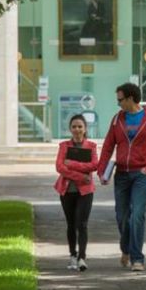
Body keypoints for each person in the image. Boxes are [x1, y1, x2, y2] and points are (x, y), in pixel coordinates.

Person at [97, 83, 146, 272]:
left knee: (137, 215)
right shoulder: (117, 119)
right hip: (121, 175)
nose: (118, 103)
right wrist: (102, 170)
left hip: (141, 175)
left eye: (120, 100)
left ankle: (137, 258)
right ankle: (125, 249)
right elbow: (108, 146)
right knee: (121, 216)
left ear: (130, 99)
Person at [54, 114, 98, 272]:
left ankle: (82, 258)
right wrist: (81, 175)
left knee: (82, 224)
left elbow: (94, 165)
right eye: (74, 126)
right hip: (67, 191)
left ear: (85, 128)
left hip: (85, 192)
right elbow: (60, 167)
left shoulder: (91, 146)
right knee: (71, 224)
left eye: (80, 126)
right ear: (70, 129)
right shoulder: (64, 146)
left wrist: (71, 164)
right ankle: (73, 255)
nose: (77, 129)